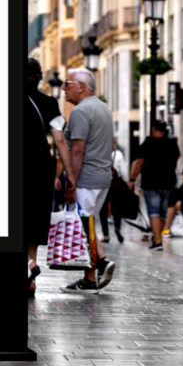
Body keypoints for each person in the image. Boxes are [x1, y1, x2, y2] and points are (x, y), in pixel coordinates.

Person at [60, 68, 116, 294]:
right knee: (87, 223)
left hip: (87, 179)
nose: (63, 88)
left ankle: (102, 261)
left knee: (83, 225)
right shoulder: (104, 108)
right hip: (102, 176)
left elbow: (78, 151)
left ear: (81, 87)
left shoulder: (81, 112)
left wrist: (71, 182)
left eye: (68, 83)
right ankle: (89, 278)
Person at [23, 58, 73, 294]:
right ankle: (30, 268)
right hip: (41, 166)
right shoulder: (48, 102)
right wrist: (69, 174)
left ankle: (26, 265)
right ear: (39, 77)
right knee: (33, 217)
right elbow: (60, 139)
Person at [129, 120, 180, 251]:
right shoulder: (172, 143)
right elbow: (177, 157)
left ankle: (157, 240)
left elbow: (139, 162)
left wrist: (132, 179)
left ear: (153, 129)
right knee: (162, 212)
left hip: (151, 182)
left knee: (154, 212)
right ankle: (158, 238)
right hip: (168, 182)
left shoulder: (148, 142)